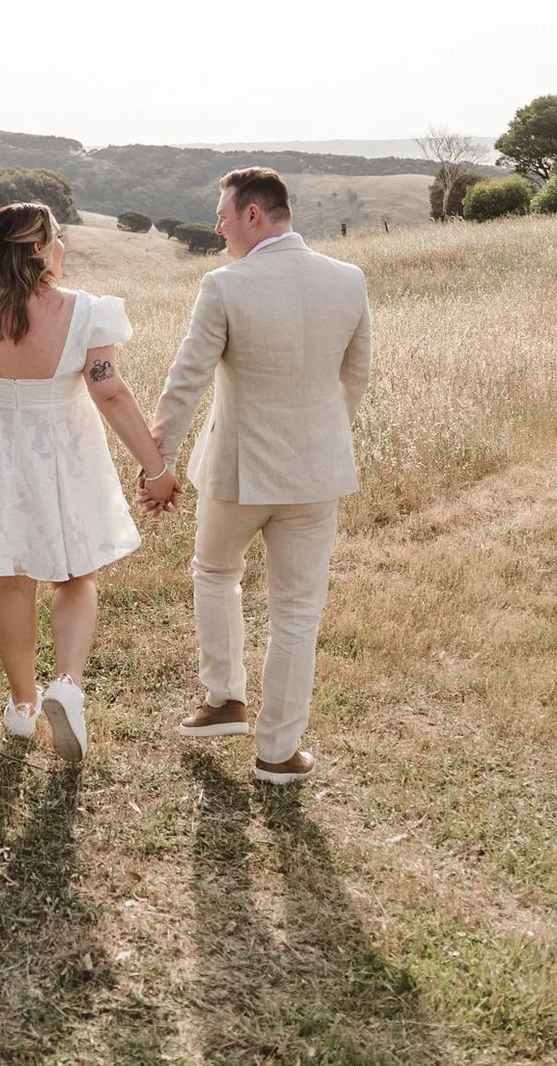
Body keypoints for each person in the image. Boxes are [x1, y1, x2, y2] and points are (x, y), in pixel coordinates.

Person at [0, 201, 171, 764]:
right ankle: (67, 685)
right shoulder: (85, 312)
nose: (64, 248)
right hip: (64, 449)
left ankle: (23, 707)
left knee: (11, 580)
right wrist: (156, 466)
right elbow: (110, 391)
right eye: (59, 239)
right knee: (76, 573)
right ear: (43, 248)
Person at [145, 167, 372, 786]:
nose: (217, 227)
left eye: (222, 216)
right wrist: (319, 438)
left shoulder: (225, 285)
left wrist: (157, 461)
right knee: (298, 611)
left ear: (253, 215)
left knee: (215, 573)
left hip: (237, 471)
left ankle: (224, 698)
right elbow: (356, 376)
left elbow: (186, 379)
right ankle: (277, 753)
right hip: (317, 473)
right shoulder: (348, 280)